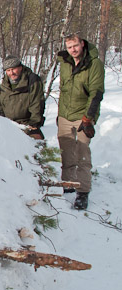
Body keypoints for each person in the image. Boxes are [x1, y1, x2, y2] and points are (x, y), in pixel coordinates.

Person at [57, 33, 104, 210]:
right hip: (65, 115)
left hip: (84, 116)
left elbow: (96, 93)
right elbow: (64, 90)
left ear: (82, 44)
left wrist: (88, 118)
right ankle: (69, 183)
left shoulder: (94, 64)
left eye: (75, 45)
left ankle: (83, 192)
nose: (73, 50)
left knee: (82, 153)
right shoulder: (65, 63)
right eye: (69, 47)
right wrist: (60, 114)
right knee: (66, 151)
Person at [0, 55, 45, 139]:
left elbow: (37, 103)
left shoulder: (32, 80)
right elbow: (0, 109)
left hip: (28, 124)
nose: (11, 73)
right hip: (9, 125)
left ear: (20, 67)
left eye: (13, 69)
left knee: (35, 146)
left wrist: (34, 124)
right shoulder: (2, 88)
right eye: (8, 70)